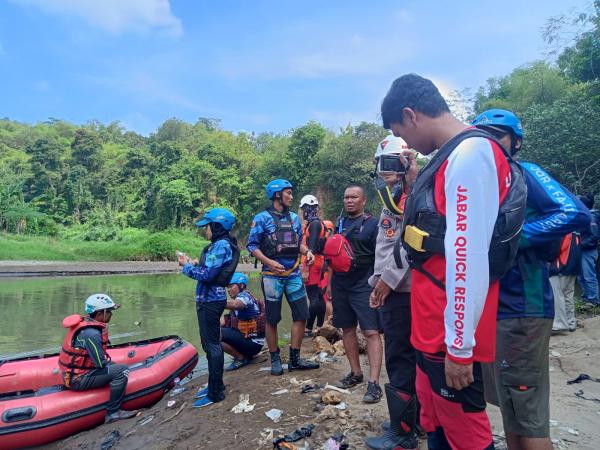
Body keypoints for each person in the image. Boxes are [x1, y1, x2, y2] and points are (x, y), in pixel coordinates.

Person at [381, 74, 528, 449]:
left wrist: (460, 348)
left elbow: (468, 257)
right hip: (430, 329)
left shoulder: (470, 155)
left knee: (466, 433)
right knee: (437, 426)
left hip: (449, 336)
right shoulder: (449, 157)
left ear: (411, 115)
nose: (407, 144)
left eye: (402, 132)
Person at [472, 109, 590, 450]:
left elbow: (574, 213)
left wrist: (515, 237)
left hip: (524, 308)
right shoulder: (482, 185)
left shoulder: (525, 173)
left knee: (529, 415)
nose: (489, 143)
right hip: (496, 310)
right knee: (511, 410)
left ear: (516, 141)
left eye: (497, 135)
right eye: (482, 137)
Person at [365, 135, 419, 450]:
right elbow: (387, 244)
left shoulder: (412, 194)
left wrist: (385, 282)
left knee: (400, 357)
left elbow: (409, 243)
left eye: (390, 163)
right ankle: (411, 420)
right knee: (406, 357)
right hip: (392, 286)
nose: (383, 171)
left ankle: (402, 434)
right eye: (380, 164)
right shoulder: (394, 196)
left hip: (401, 290)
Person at [247, 179, 319, 375]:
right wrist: (270, 262)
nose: (292, 196)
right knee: (272, 318)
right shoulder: (261, 218)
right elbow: (252, 246)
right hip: (272, 276)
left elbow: (298, 244)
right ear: (277, 194)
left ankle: (295, 358)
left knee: (302, 314)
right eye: (288, 193)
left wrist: (307, 252)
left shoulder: (295, 219)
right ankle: (275, 358)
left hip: (293, 274)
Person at [179, 207, 239, 409]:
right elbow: (210, 269)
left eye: (208, 227)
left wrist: (186, 267)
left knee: (213, 345)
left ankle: (215, 393)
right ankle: (215, 385)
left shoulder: (221, 246)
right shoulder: (220, 245)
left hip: (211, 302)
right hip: (210, 300)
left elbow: (207, 275)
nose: (206, 231)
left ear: (217, 226)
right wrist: (194, 263)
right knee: (208, 344)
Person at [329, 185, 383, 403]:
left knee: (371, 332)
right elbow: (333, 254)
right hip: (340, 283)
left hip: (364, 282)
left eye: (354, 197)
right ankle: (355, 373)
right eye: (346, 197)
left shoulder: (373, 223)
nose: (349, 201)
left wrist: (379, 285)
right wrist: (329, 285)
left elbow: (381, 255)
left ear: (363, 201)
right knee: (347, 329)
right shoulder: (339, 223)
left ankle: (374, 383)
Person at [58, 294, 137, 423]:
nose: (111, 314)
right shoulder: (92, 334)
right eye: (109, 311)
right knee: (122, 370)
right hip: (78, 379)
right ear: (100, 313)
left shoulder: (87, 326)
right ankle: (113, 412)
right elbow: (100, 363)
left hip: (73, 375)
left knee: (114, 366)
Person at [221, 272, 266, 371]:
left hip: (253, 344)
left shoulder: (244, 296)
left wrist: (216, 302)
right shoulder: (237, 300)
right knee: (212, 333)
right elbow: (223, 322)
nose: (228, 289)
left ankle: (240, 358)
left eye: (231, 286)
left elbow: (237, 304)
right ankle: (243, 355)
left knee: (214, 334)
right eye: (227, 287)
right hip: (250, 342)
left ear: (241, 285)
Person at [299, 194, 327, 334]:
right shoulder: (316, 223)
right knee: (319, 295)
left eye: (304, 209)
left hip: (313, 262)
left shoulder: (315, 224)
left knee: (313, 296)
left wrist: (305, 269)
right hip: (318, 261)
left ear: (309, 208)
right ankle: (320, 326)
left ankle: (309, 327)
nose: (303, 212)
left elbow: (312, 247)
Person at [550, 232, 582, 332]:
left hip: (561, 268)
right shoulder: (576, 232)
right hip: (573, 268)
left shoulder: (562, 232)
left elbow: (555, 250)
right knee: (568, 295)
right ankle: (571, 322)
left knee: (557, 296)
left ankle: (559, 324)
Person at [578, 194, 599, 306]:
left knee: (589, 275)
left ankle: (593, 299)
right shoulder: (584, 215)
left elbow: (594, 235)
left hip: (588, 251)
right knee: (580, 276)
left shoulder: (592, 216)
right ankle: (586, 297)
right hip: (581, 250)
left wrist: (579, 244)